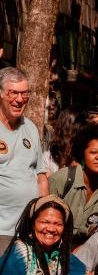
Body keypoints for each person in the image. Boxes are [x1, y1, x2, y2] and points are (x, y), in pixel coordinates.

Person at [0, 67, 49, 255]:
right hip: (1, 231)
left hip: (28, 230)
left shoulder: (30, 128)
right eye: (13, 93)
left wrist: (45, 217)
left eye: (24, 93)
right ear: (1, 94)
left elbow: (41, 176)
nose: (20, 99)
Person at [49, 123, 98, 246]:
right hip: (53, 245)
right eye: (93, 152)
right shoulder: (62, 179)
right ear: (83, 153)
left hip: (88, 251)